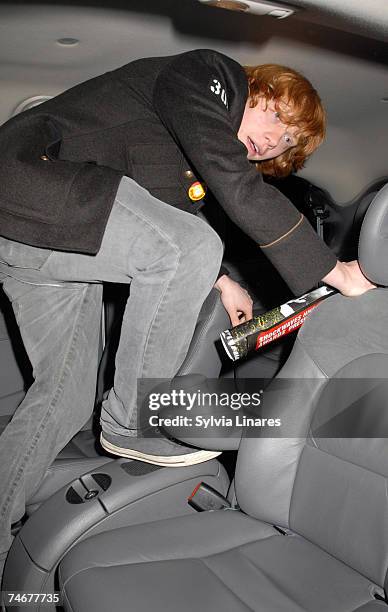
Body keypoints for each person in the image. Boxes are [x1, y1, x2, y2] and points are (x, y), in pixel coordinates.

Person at [0, 49, 374, 569]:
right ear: (258, 90)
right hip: (34, 187)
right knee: (191, 243)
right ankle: (134, 421)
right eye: (276, 119)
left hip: (45, 243)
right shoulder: (207, 73)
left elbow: (165, 211)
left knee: (64, 396)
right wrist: (336, 272)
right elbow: (209, 205)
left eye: (285, 144)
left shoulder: (173, 156)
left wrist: (221, 281)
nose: (270, 143)